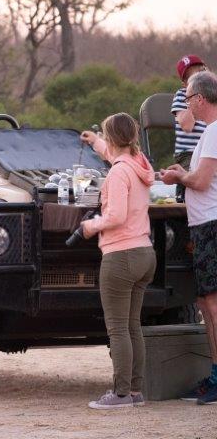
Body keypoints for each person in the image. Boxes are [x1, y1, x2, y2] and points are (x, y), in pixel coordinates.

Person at [79, 113, 156, 409]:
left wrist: (91, 226)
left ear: (113, 138)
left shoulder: (117, 174)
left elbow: (116, 217)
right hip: (144, 254)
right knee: (133, 325)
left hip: (121, 256)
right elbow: (117, 156)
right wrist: (96, 142)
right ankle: (135, 391)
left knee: (118, 328)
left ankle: (120, 393)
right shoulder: (139, 163)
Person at [160, 70, 217, 405]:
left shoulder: (211, 132)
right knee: (205, 302)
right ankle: (213, 374)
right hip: (205, 224)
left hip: (211, 224)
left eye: (187, 98)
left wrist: (178, 178)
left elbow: (203, 181)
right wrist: (183, 174)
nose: (186, 105)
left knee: (212, 303)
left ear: (198, 98)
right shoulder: (209, 133)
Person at [171, 55, 208, 201]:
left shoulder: (212, 95)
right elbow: (187, 126)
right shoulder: (182, 96)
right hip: (188, 153)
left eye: (200, 71)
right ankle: (183, 200)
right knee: (192, 178)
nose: (197, 78)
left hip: (209, 152)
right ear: (184, 84)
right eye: (191, 77)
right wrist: (192, 97)